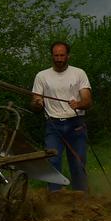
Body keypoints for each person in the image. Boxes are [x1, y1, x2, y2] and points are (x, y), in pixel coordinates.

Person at [31, 41, 93, 192]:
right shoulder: (42, 76)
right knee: (52, 160)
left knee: (78, 162)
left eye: (62, 55)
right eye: (56, 55)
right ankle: (54, 196)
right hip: (53, 124)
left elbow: (87, 100)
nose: (59, 59)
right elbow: (34, 102)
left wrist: (79, 104)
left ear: (68, 56)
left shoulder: (79, 73)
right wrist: (38, 103)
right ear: (52, 56)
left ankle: (81, 195)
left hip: (75, 124)